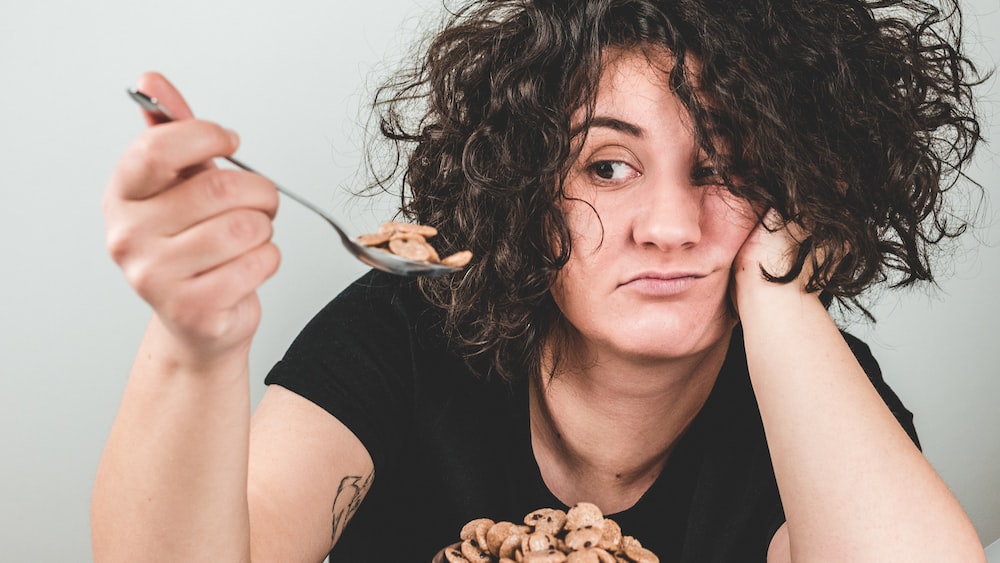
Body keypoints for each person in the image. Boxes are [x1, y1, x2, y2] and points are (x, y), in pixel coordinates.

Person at [92, 0, 988, 561]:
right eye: (606, 166)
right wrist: (191, 345)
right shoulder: (404, 331)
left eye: (723, 167)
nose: (670, 227)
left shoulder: (811, 388)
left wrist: (786, 288)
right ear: (526, 186)